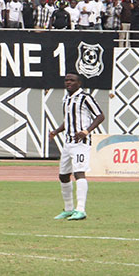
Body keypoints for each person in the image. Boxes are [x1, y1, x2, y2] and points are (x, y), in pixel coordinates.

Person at [49, 73, 104, 221]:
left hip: (81, 143)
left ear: (79, 83)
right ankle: (68, 209)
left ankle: (81, 210)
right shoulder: (66, 98)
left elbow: (100, 116)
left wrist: (86, 131)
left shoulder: (85, 98)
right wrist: (56, 131)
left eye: (72, 80)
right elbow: (68, 120)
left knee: (79, 173)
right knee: (63, 175)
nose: (68, 82)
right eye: (66, 80)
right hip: (68, 142)